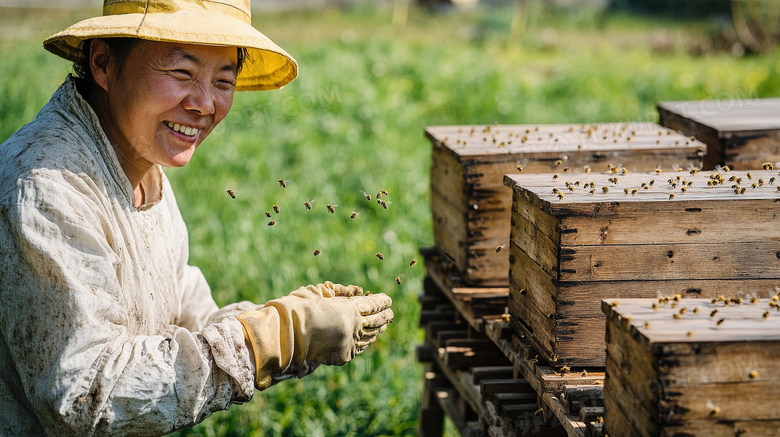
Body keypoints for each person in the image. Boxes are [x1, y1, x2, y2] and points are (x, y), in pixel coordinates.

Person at [0, 1, 394, 435]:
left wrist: (286, 324)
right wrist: (270, 339)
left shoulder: (139, 165)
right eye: (182, 74)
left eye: (223, 81)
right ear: (103, 62)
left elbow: (186, 317)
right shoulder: (48, 188)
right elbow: (83, 394)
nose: (205, 104)